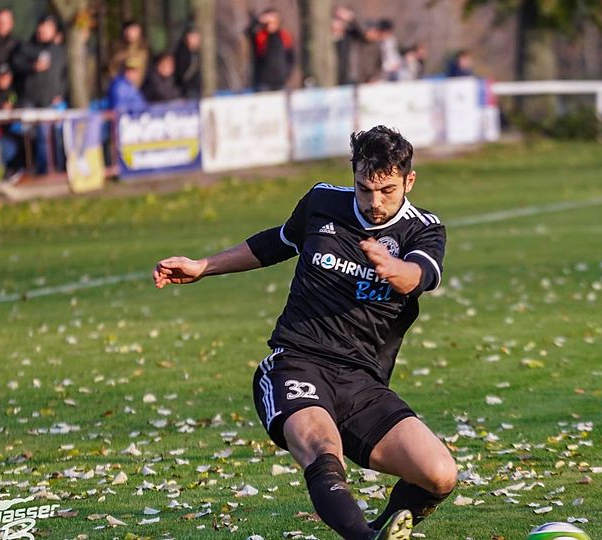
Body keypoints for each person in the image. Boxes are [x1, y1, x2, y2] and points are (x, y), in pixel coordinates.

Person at [153, 126, 456, 540]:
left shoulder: (423, 230)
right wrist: (203, 266)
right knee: (323, 450)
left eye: (387, 190)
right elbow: (274, 243)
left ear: (409, 180)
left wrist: (392, 268)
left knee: (439, 474)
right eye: (365, 189)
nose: (375, 202)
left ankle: (379, 531)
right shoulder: (323, 203)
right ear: (354, 175)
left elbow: (417, 276)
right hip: (297, 363)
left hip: (362, 382)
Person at [12, 14, 67, 174]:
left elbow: (66, 76)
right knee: (29, 138)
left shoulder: (59, 51)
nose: (44, 30)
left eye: (48, 27)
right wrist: (32, 66)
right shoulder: (27, 48)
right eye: (42, 26)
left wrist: (61, 93)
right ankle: (33, 170)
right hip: (30, 101)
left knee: (50, 138)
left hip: (51, 102)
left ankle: (54, 170)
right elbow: (16, 64)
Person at [247, 8, 295, 91]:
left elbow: (291, 58)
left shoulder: (285, 36)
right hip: (262, 83)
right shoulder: (260, 36)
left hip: (280, 81)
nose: (271, 24)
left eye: (274, 21)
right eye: (268, 22)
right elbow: (249, 31)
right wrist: (259, 19)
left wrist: (287, 74)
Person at [109, 20, 149, 89]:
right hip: (119, 85)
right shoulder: (116, 48)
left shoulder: (143, 48)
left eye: (134, 30)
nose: (131, 33)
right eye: (129, 30)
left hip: (138, 87)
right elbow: (111, 67)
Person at [173, 26, 201, 99]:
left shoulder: (195, 52)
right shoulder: (182, 52)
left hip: (195, 88)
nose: (197, 40)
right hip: (186, 90)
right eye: (195, 37)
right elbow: (181, 74)